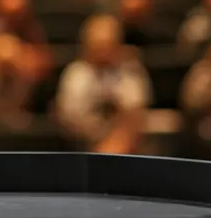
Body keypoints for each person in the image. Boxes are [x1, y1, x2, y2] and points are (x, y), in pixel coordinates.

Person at [55, 15, 152, 154]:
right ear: (87, 45)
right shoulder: (75, 74)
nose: (103, 52)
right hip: (82, 146)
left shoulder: (130, 70)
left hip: (125, 144)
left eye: (108, 44)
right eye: (99, 45)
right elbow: (70, 119)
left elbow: (136, 113)